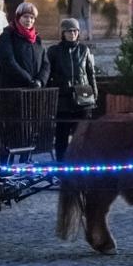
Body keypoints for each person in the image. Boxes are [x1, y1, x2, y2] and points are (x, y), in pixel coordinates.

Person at [48, 17, 98, 159]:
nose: (72, 34)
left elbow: (90, 73)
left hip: (83, 100)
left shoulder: (84, 49)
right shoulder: (54, 51)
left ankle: (80, 165)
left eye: (75, 31)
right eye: (69, 31)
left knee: (81, 137)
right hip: (63, 100)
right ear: (63, 33)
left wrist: (94, 94)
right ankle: (62, 166)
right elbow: (48, 73)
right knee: (61, 137)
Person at [0, 1, 50, 88]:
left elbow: (46, 64)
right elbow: (8, 61)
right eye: (25, 16)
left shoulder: (37, 39)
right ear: (18, 17)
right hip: (12, 89)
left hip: (34, 91)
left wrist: (40, 81)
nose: (29, 20)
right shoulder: (7, 36)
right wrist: (29, 80)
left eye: (32, 17)